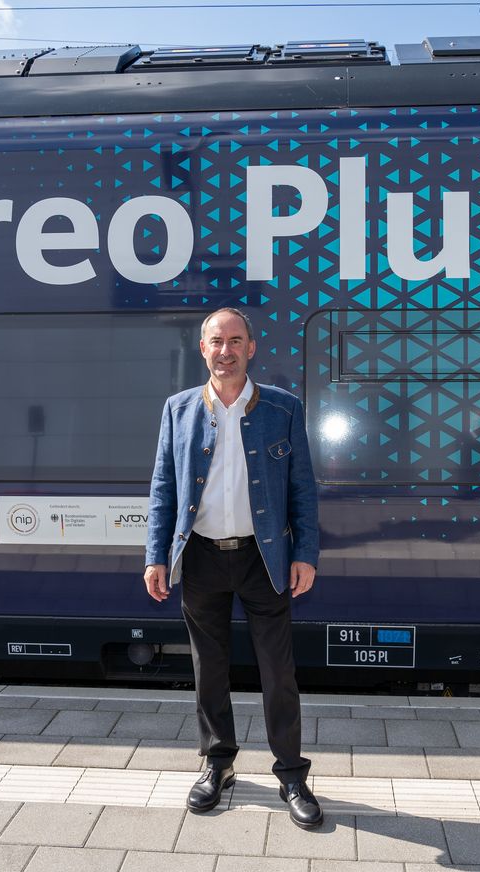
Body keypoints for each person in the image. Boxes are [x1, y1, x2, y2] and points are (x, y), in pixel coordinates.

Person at [144, 307, 322, 829]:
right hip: (199, 556)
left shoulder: (283, 408)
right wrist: (156, 555)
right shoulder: (178, 410)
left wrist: (305, 553)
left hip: (263, 556)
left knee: (278, 671)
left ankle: (291, 773)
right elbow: (163, 489)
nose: (226, 350)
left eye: (235, 340)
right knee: (208, 668)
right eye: (216, 341)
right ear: (203, 349)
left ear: (251, 347)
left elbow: (302, 489)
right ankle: (217, 765)